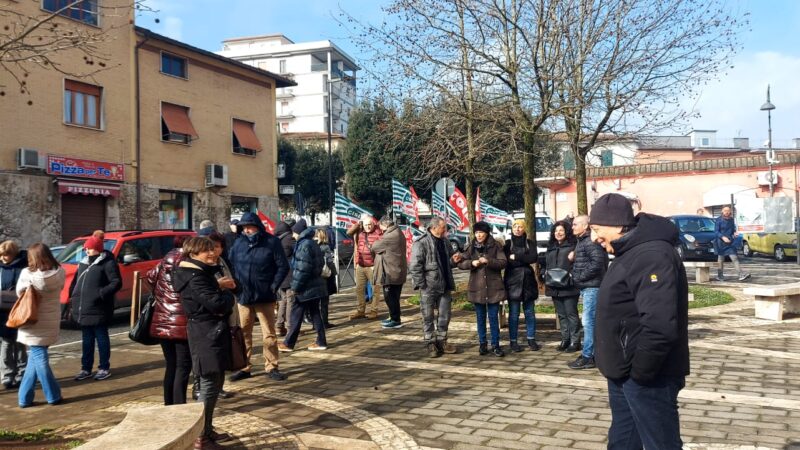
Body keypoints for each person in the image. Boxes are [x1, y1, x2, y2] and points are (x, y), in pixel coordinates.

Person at [589, 193, 689, 449]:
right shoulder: (630, 251)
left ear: (617, 224)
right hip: (625, 373)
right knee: (623, 441)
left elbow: (659, 325)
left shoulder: (652, 255)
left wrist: (641, 374)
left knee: (660, 444)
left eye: (597, 229)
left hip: (648, 376)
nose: (594, 237)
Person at [173, 237, 236, 450]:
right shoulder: (195, 277)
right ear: (193, 254)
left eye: (213, 250)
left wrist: (218, 285)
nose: (212, 254)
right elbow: (216, 304)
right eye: (206, 251)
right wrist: (226, 293)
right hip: (206, 333)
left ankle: (206, 429)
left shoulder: (200, 273)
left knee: (215, 382)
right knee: (209, 385)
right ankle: (200, 436)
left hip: (210, 332)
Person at [228, 212, 289, 382]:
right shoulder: (238, 243)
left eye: (250, 226)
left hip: (265, 296)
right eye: (244, 227)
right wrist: (236, 286)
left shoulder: (272, 242)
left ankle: (271, 366)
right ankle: (244, 367)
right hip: (243, 296)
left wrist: (273, 286)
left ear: (258, 226)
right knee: (243, 333)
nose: (247, 230)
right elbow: (231, 265)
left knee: (269, 334)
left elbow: (282, 266)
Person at [15, 244, 65, 408]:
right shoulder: (59, 272)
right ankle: (24, 398)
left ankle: (53, 395)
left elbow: (19, 293)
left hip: (32, 319)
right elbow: (62, 288)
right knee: (35, 359)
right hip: (50, 320)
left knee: (39, 358)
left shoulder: (27, 274)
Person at [69, 231, 121, 381]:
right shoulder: (83, 262)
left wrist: (101, 293)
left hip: (99, 308)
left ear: (97, 248)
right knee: (87, 340)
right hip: (84, 308)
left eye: (89, 248)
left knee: (101, 338)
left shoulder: (108, 263)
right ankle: (86, 368)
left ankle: (104, 367)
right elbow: (76, 282)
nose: (86, 250)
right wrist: (74, 295)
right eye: (85, 248)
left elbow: (116, 282)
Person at [147, 235, 192, 405]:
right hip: (180, 323)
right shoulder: (186, 261)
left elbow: (150, 278)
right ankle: (179, 407)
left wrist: (161, 296)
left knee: (171, 365)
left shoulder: (164, 260)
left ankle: (168, 404)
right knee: (183, 366)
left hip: (162, 321)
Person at [409, 217, 463, 357]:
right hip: (428, 286)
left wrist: (453, 260)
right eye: (443, 227)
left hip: (445, 284)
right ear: (434, 228)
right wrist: (422, 285)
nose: (445, 230)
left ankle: (442, 341)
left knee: (445, 315)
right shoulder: (421, 243)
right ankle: (430, 343)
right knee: (428, 316)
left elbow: (449, 261)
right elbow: (415, 267)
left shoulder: (445, 241)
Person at [458, 221, 507, 357]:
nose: (479, 235)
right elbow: (460, 263)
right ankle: (482, 344)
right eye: (477, 232)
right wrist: (471, 263)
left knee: (493, 317)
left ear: (487, 233)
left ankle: (496, 345)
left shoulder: (496, 245)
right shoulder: (471, 247)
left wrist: (489, 261)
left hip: (493, 288)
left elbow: (503, 262)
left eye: (482, 233)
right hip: (477, 287)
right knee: (480, 318)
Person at [279, 220, 328, 352]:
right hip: (315, 285)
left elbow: (302, 269)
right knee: (315, 313)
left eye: (293, 232)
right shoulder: (311, 243)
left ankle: (288, 343)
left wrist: (295, 287)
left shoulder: (304, 245)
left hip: (306, 287)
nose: (292, 235)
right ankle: (321, 341)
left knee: (296, 315)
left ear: (297, 232)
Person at [568, 215, 608, 370]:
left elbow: (597, 263)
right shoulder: (583, 241)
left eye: (575, 224)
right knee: (590, 322)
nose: (572, 227)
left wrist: (578, 277)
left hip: (592, 287)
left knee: (588, 323)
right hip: (588, 286)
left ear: (585, 226)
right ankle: (589, 353)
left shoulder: (590, 241)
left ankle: (588, 356)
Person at [503, 219, 541, 352]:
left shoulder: (530, 243)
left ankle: (531, 339)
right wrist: (523, 258)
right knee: (514, 314)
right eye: (515, 226)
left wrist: (517, 257)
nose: (518, 229)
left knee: (530, 313)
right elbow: (508, 262)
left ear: (524, 229)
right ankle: (513, 341)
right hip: (512, 282)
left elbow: (533, 258)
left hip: (528, 282)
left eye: (520, 227)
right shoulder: (507, 245)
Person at [544, 220, 581, 353]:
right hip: (554, 286)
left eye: (561, 231)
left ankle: (575, 341)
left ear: (566, 232)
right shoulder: (551, 247)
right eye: (556, 231)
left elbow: (579, 265)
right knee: (561, 315)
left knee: (571, 314)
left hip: (569, 286)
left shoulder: (574, 246)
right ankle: (565, 339)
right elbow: (546, 264)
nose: (558, 233)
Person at [0, 240, 28, 389]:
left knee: (20, 343)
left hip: (19, 309)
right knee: (6, 343)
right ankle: (7, 376)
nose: (3, 258)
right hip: (2, 311)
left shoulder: (24, 266)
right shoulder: (1, 268)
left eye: (6, 255)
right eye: (2, 255)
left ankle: (21, 374)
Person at [371, 216, 407, 329]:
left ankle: (396, 320)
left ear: (385, 225)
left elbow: (375, 246)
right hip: (396, 270)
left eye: (380, 226)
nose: (379, 228)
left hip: (391, 272)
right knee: (394, 296)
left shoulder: (391, 236)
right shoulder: (397, 231)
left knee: (390, 297)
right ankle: (393, 316)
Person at [347, 213, 383, 320]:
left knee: (375, 289)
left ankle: (373, 311)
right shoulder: (359, 231)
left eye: (370, 224)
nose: (368, 227)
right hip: (361, 265)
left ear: (373, 223)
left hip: (373, 266)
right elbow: (348, 232)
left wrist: (377, 264)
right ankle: (360, 311)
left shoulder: (378, 232)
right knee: (359, 289)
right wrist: (358, 224)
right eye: (366, 225)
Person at [715, 206, 750, 281]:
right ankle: (720, 276)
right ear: (722, 211)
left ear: (730, 211)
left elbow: (733, 229)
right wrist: (723, 237)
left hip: (730, 242)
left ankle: (741, 275)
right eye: (725, 210)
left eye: (728, 210)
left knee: (735, 258)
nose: (727, 212)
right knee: (721, 259)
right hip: (721, 243)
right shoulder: (718, 220)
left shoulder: (731, 220)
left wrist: (735, 233)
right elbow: (716, 232)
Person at [274, 221, 295, 337]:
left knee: (282, 301)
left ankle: (279, 326)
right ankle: (290, 327)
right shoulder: (289, 239)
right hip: (290, 274)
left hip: (280, 275)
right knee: (290, 301)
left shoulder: (276, 241)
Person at [314, 228, 337, 328]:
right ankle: (324, 322)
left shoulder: (311, 246)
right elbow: (329, 263)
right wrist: (334, 273)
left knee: (315, 302)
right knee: (324, 301)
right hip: (324, 277)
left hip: (315, 276)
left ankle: (315, 323)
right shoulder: (325, 247)